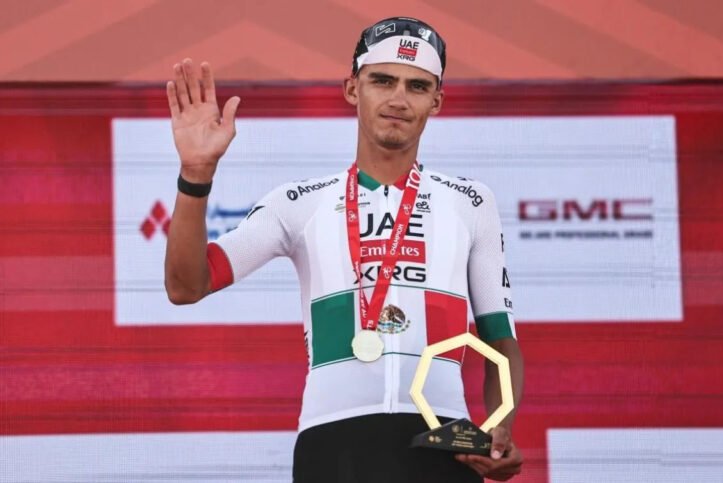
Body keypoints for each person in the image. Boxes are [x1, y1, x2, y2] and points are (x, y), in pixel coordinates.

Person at [164, 16, 524, 482]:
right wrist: (195, 175)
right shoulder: (299, 203)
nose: (398, 99)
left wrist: (499, 426)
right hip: (334, 442)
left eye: (417, 86)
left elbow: (500, 338)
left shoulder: (470, 201)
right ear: (353, 89)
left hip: (445, 440)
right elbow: (186, 286)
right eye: (383, 81)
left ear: (436, 101)